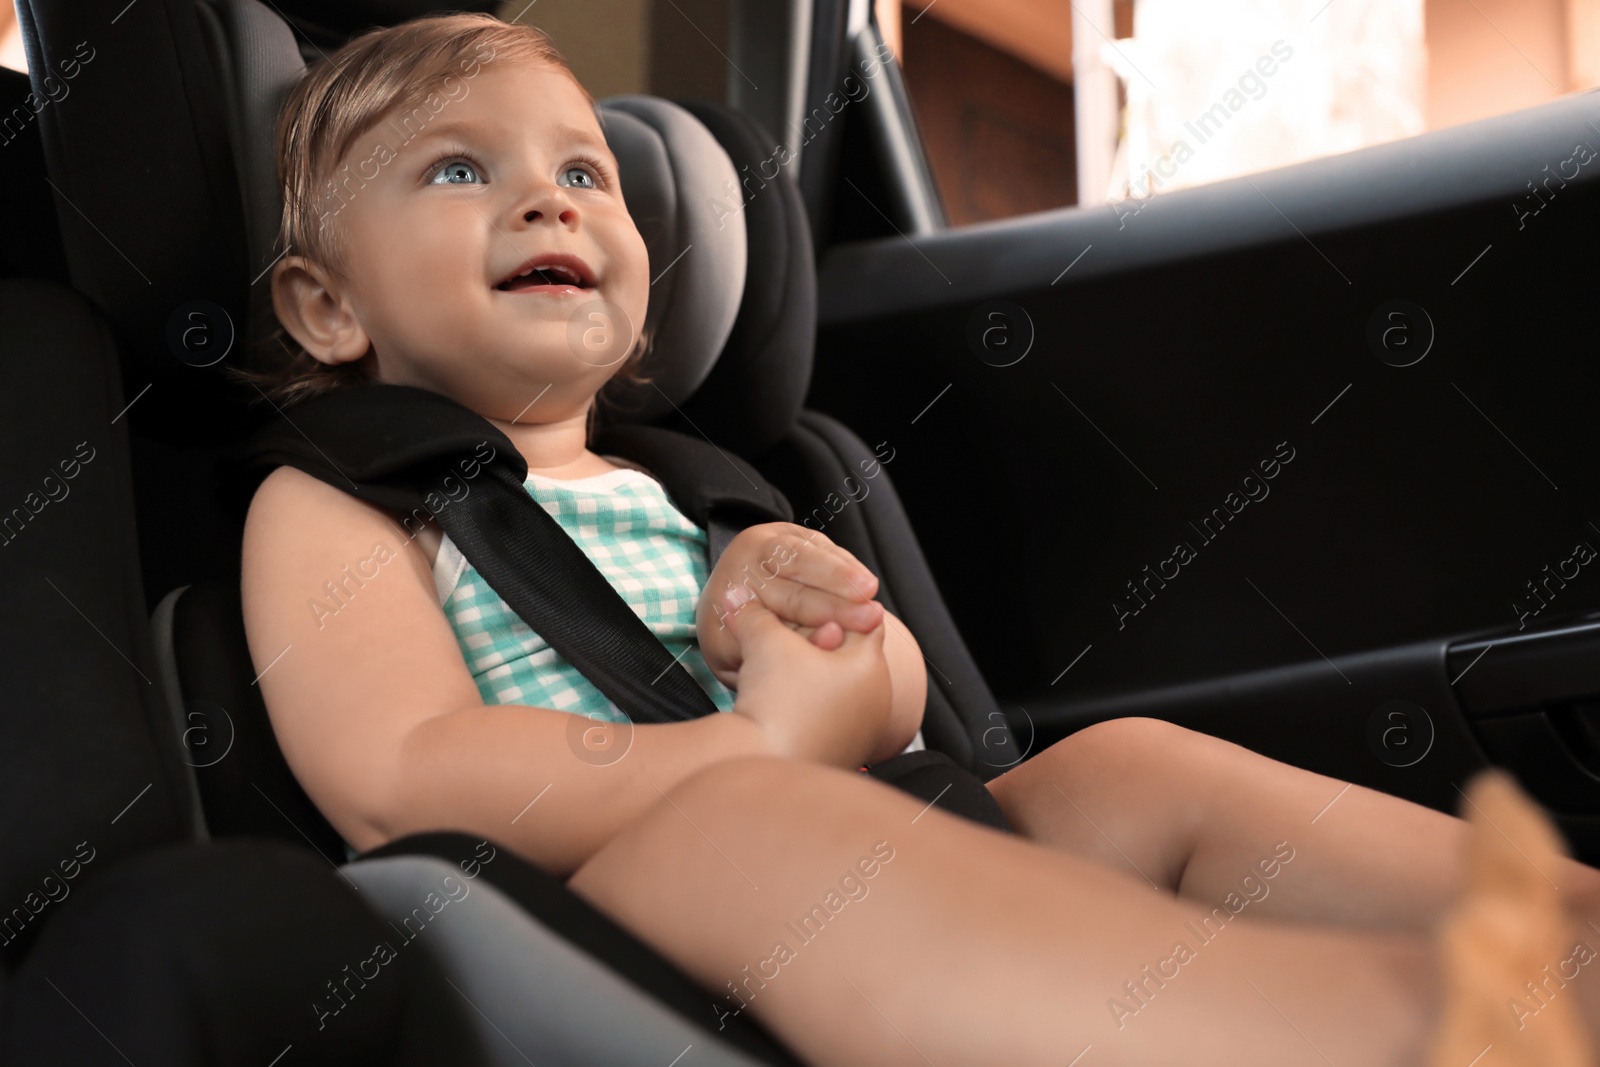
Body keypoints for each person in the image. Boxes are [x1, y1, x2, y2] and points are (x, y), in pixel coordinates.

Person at [235, 12, 1600, 1065]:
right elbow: (401, 777)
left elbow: (896, 711)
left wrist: (826, 627)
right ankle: (1375, 1028)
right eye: (461, 170)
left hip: (868, 828)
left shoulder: (701, 490)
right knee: (751, 826)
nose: (553, 202)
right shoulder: (342, 502)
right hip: (597, 910)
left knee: (1121, 769)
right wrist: (753, 748)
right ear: (323, 309)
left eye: (584, 170)